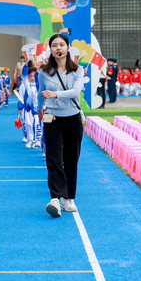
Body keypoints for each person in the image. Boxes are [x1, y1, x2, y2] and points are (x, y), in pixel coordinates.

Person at [38, 34, 84, 218]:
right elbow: (40, 93)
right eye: (55, 45)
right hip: (53, 120)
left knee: (72, 159)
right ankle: (55, 198)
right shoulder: (43, 71)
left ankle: (68, 198)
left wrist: (55, 94)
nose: (58, 48)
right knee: (54, 159)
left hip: (72, 118)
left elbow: (76, 91)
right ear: (50, 49)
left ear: (68, 48)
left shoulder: (77, 70)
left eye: (62, 45)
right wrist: (39, 110)